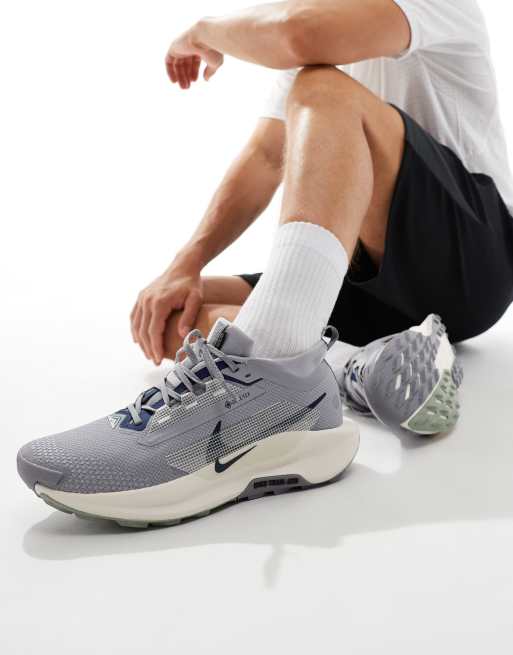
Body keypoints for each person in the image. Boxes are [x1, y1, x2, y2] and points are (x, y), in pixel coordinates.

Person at [16, 1, 512, 526]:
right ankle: (355, 367)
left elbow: (299, 35)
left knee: (323, 88)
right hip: (368, 278)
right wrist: (185, 265)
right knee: (177, 311)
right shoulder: (318, 25)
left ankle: (270, 393)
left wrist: (204, 31)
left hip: (469, 263)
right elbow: (266, 157)